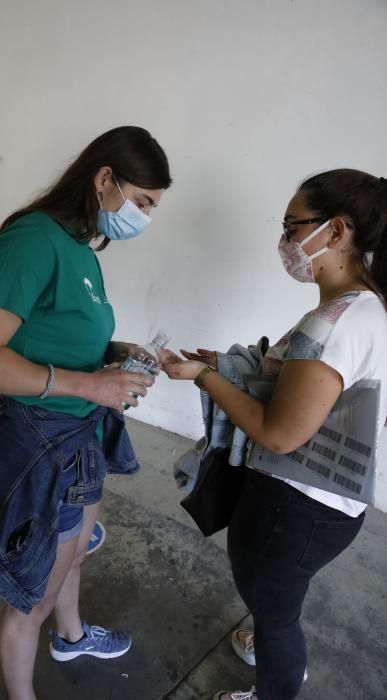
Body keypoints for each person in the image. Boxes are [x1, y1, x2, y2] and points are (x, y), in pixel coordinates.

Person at [0, 125, 172, 700]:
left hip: (80, 433)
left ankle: (71, 637)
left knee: (73, 552)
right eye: (144, 201)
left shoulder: (81, 247)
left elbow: (59, 336)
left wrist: (119, 355)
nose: (146, 217)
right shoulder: (34, 240)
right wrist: (88, 385)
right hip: (39, 438)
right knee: (33, 594)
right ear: (105, 180)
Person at [163, 169, 387, 700]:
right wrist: (228, 364)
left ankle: (275, 682)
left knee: (275, 614)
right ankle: (273, 638)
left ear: (335, 232)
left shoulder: (329, 323)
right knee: (280, 600)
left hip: (292, 506)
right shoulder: (369, 308)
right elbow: (311, 391)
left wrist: (204, 377)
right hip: (333, 505)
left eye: (292, 227)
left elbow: (280, 434)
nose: (284, 242)